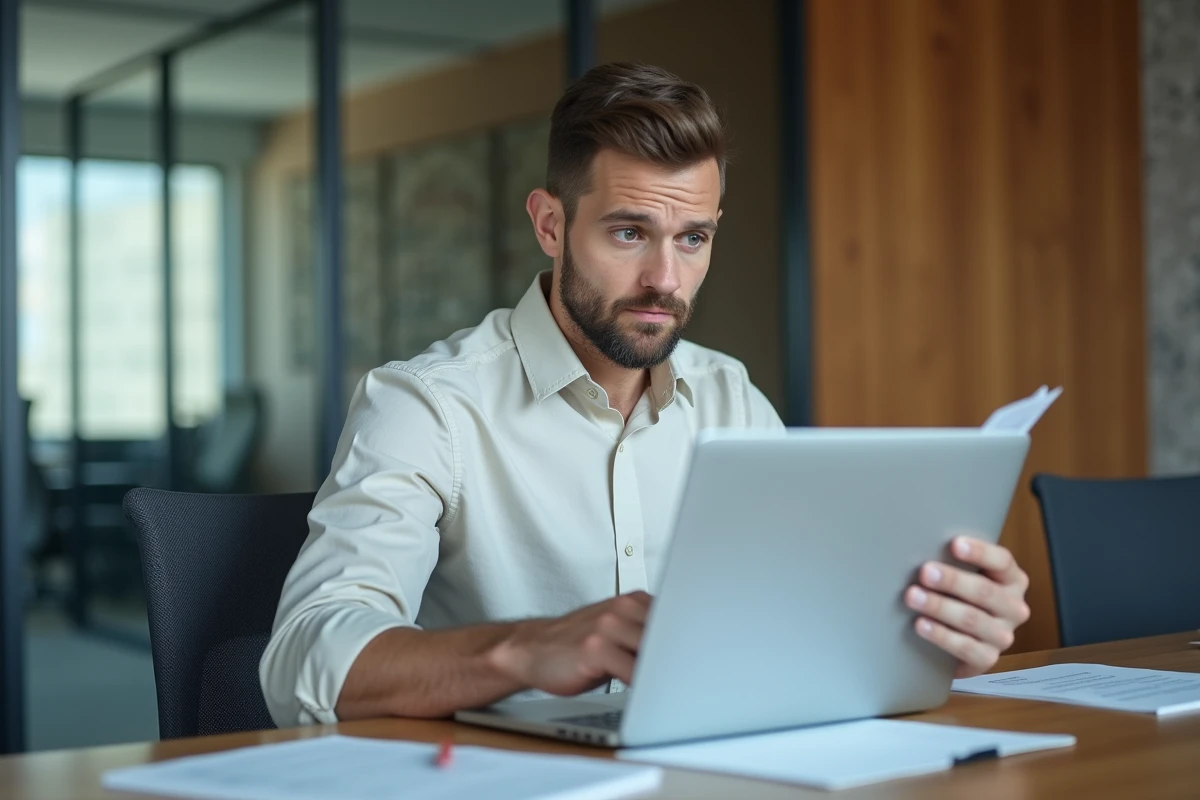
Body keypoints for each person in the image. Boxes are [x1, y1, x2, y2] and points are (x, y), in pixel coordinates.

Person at [260, 62, 1031, 727]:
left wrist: (932, 637)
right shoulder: (425, 405)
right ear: (551, 225)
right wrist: (527, 648)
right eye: (629, 232)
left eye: (692, 238)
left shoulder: (732, 400)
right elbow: (304, 662)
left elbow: (790, 634)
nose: (666, 278)